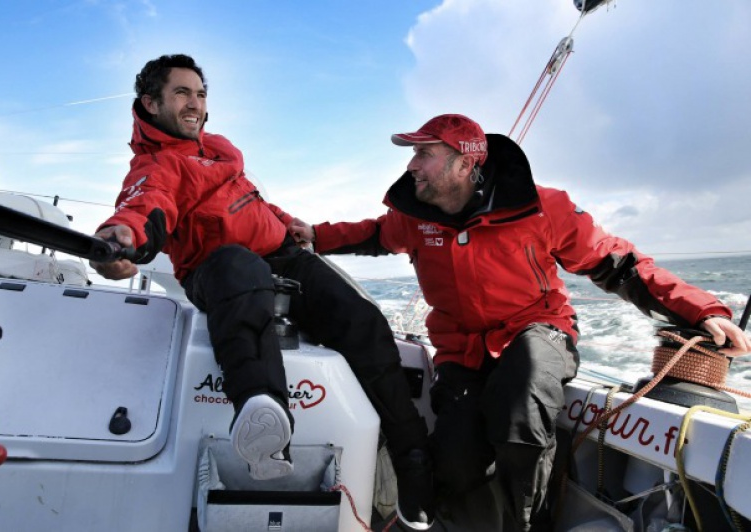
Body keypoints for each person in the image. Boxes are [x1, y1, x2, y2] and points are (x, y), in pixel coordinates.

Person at [289, 113, 751, 531]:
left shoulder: (542, 207)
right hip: (461, 349)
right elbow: (372, 233)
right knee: (454, 460)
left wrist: (700, 309)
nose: (412, 165)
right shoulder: (413, 217)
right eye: (413, 154)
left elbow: (619, 263)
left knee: (521, 407)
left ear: (464, 164)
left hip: (538, 330)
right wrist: (316, 237)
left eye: (424, 153)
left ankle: (530, 527)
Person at [89, 54, 435, 530]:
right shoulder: (159, 164)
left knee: (361, 319)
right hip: (221, 270)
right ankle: (262, 416)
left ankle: (412, 461)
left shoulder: (219, 152)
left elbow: (244, 198)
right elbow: (145, 206)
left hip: (282, 257)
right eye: (181, 93)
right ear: (150, 103)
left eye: (200, 93)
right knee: (240, 264)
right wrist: (123, 238)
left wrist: (282, 220)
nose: (195, 103)